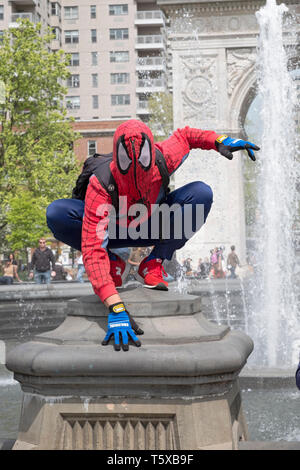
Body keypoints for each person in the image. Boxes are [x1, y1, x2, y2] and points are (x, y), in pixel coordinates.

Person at [46, 119, 259, 351]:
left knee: (200, 193)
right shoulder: (101, 183)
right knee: (57, 212)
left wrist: (219, 141)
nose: (137, 166)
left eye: (143, 161)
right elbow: (92, 246)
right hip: (112, 231)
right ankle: (113, 264)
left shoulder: (163, 157)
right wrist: (115, 306)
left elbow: (187, 136)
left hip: (152, 227)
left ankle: (154, 262)